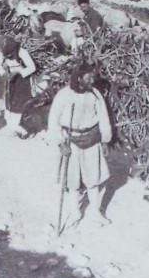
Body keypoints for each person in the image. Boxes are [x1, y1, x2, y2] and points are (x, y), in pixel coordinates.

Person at [47, 63, 114, 226]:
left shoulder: (95, 95)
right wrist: (60, 142)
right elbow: (53, 121)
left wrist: (105, 140)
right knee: (72, 180)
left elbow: (104, 118)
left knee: (93, 178)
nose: (92, 80)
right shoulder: (64, 96)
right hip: (71, 141)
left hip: (91, 139)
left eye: (93, 77)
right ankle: (75, 212)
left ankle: (95, 212)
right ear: (79, 78)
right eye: (89, 77)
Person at [0, 36, 36, 137]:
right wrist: (4, 74)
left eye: (10, 55)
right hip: (10, 78)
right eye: (6, 56)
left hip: (22, 79)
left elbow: (32, 67)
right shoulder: (2, 51)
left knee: (20, 103)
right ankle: (13, 123)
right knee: (9, 100)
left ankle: (23, 127)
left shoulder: (22, 52)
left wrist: (18, 72)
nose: (8, 57)